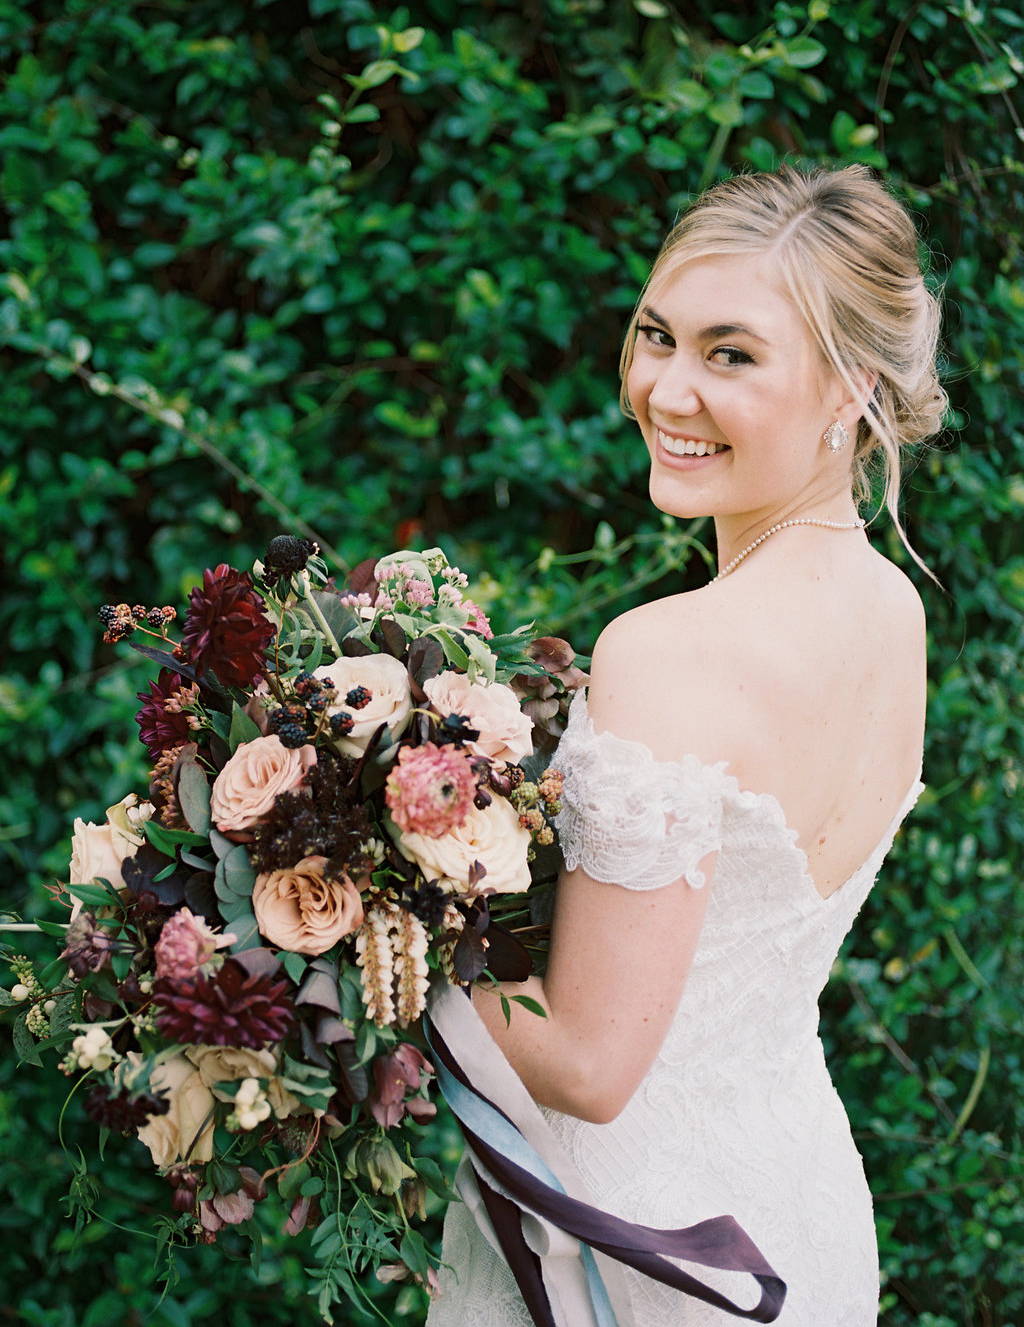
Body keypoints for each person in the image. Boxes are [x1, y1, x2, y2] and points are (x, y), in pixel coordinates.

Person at [426, 163, 946, 1326]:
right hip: (796, 1208)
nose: (665, 388)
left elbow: (592, 1064)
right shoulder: (892, 612)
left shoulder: (668, 651)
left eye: (731, 354)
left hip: (641, 1249)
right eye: (657, 334)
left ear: (848, 389)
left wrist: (366, 951)